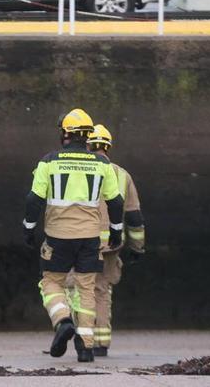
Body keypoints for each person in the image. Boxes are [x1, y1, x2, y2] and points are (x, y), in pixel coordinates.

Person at [23, 109, 124, 363]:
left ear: (65, 134)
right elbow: (115, 201)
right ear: (88, 136)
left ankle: (63, 321)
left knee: (51, 282)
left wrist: (28, 227)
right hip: (90, 238)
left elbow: (34, 199)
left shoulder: (49, 161)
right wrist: (115, 230)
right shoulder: (102, 164)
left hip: (58, 236)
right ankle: (86, 347)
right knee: (86, 287)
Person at [85, 125, 146, 357]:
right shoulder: (122, 175)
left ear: (88, 145)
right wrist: (136, 247)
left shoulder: (80, 171)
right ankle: (102, 343)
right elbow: (134, 216)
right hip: (111, 245)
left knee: (79, 290)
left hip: (81, 242)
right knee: (102, 291)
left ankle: (85, 340)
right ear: (108, 147)